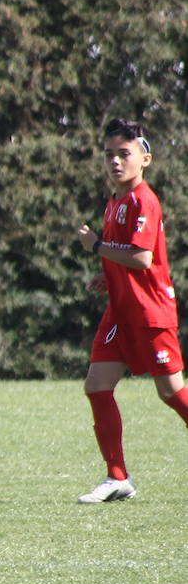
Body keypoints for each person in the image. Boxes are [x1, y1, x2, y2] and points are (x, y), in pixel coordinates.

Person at [75, 118, 188, 503]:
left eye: (124, 154)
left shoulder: (144, 200)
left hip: (150, 314)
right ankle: (117, 477)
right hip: (120, 313)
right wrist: (107, 276)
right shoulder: (115, 203)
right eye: (109, 155)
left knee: (172, 393)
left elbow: (141, 258)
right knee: (96, 385)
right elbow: (125, 257)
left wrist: (95, 247)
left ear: (145, 158)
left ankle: (118, 476)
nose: (115, 162)